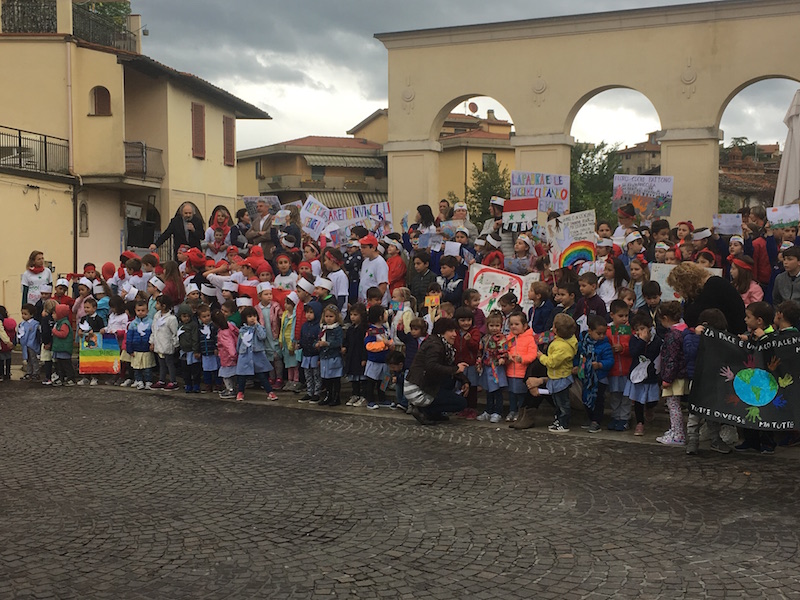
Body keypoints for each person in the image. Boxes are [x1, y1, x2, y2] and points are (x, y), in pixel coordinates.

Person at [404, 318, 469, 426]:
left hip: (424, 383)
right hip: (418, 387)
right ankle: (425, 410)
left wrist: (464, 380)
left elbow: (447, 366)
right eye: (451, 331)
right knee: (461, 403)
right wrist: (456, 369)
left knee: (450, 381)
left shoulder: (440, 344)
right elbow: (432, 367)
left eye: (455, 331)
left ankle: (432, 412)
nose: (454, 335)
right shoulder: (435, 345)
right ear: (442, 332)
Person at [667, 262, 746, 335]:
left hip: (729, 335)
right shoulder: (697, 292)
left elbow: (693, 316)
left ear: (686, 283)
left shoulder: (714, 285)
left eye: (679, 288)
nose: (679, 292)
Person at [535, 313, 578, 433]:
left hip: (561, 377)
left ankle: (563, 422)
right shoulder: (561, 340)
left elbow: (552, 362)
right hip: (555, 376)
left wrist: (541, 357)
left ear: (556, 329)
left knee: (562, 402)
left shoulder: (562, 347)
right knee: (557, 401)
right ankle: (558, 419)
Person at [625, 312, 664, 440]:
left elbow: (658, 355)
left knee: (652, 399)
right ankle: (640, 423)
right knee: (638, 401)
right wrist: (641, 341)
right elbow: (633, 352)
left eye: (642, 329)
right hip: (637, 374)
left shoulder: (656, 340)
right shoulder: (635, 340)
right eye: (637, 330)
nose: (640, 332)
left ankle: (650, 407)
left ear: (649, 328)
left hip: (651, 374)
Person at [657, 301, 688, 445]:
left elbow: (672, 358)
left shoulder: (672, 335)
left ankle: (678, 434)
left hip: (674, 376)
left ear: (665, 318)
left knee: (673, 405)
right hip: (681, 372)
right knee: (674, 405)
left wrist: (667, 378)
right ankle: (675, 430)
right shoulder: (684, 329)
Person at [576, 314, 614, 433]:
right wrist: (577, 366)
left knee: (598, 400)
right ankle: (589, 417)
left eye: (604, 333)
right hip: (587, 377)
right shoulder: (583, 344)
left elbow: (610, 360)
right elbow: (578, 356)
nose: (602, 336)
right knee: (586, 398)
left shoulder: (605, 345)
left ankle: (596, 420)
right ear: (590, 331)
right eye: (599, 333)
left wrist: (600, 365)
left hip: (599, 378)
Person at [317, 305, 344, 406]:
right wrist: (317, 344)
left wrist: (327, 343)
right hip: (324, 356)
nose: (328, 319)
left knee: (335, 378)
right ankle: (328, 396)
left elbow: (338, 342)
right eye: (326, 316)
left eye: (331, 316)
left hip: (334, 356)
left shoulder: (337, 329)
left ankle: (336, 397)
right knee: (326, 378)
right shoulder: (323, 328)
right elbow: (318, 339)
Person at [358, 234, 389, 306]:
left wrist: (376, 301)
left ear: (373, 248)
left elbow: (382, 286)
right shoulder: (365, 262)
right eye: (361, 247)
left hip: (375, 305)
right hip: (365, 303)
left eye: (364, 247)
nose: (361, 250)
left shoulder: (380, 263)